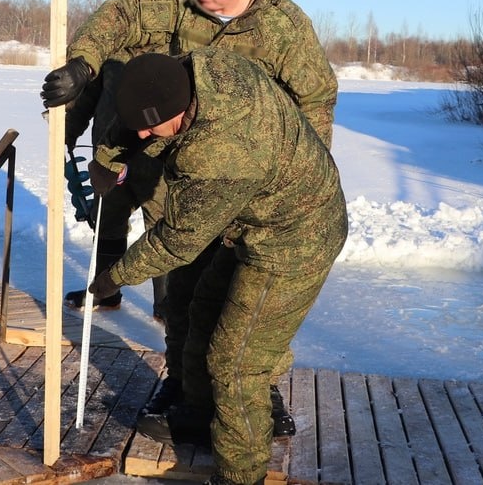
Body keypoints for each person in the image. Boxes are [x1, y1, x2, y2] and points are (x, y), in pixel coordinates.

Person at [42, 0, 336, 431]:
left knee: (251, 290)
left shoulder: (285, 29)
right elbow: (123, 16)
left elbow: (316, 98)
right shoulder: (178, 3)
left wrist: (298, 174)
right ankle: (179, 377)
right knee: (183, 280)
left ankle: (260, 387)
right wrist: (84, 65)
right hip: (181, 167)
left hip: (257, 180)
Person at [88, 49, 348, 485]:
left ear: (178, 109)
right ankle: (196, 415)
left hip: (296, 237)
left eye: (152, 126)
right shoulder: (199, 68)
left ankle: (239, 475)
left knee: (237, 361)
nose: (147, 135)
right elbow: (144, 106)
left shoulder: (217, 153)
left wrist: (113, 277)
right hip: (253, 213)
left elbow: (176, 242)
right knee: (200, 309)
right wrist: (108, 159)